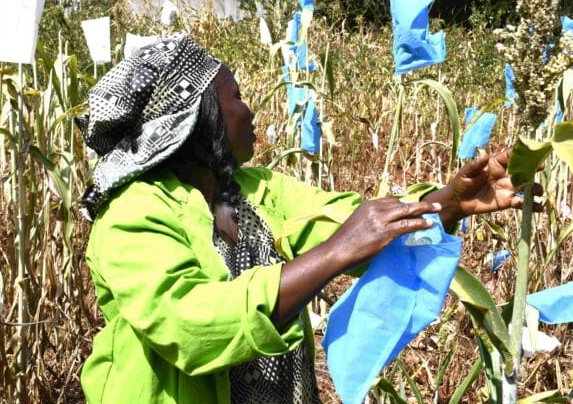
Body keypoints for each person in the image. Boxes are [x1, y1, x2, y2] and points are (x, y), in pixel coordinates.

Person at [77, 34, 536, 404]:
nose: (250, 110)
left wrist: (450, 202)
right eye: (235, 97)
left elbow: (347, 222)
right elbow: (190, 324)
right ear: (200, 116)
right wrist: (336, 253)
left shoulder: (251, 188)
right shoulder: (132, 213)